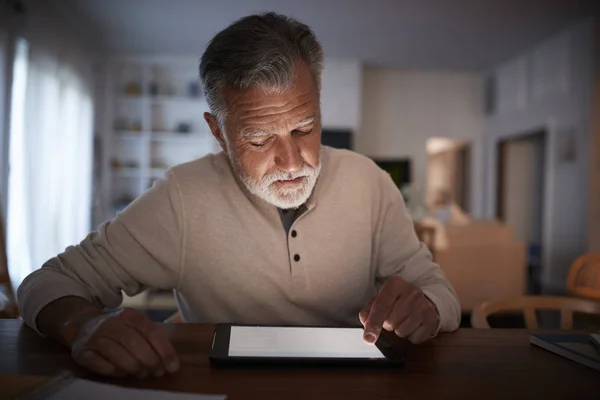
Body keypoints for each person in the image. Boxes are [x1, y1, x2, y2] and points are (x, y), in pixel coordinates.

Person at [17, 12, 460, 379]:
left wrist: (428, 307)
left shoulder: (370, 182)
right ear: (219, 133)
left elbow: (440, 292)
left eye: (304, 128)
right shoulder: (181, 199)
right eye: (260, 139)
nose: (291, 162)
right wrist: (84, 323)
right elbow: (44, 284)